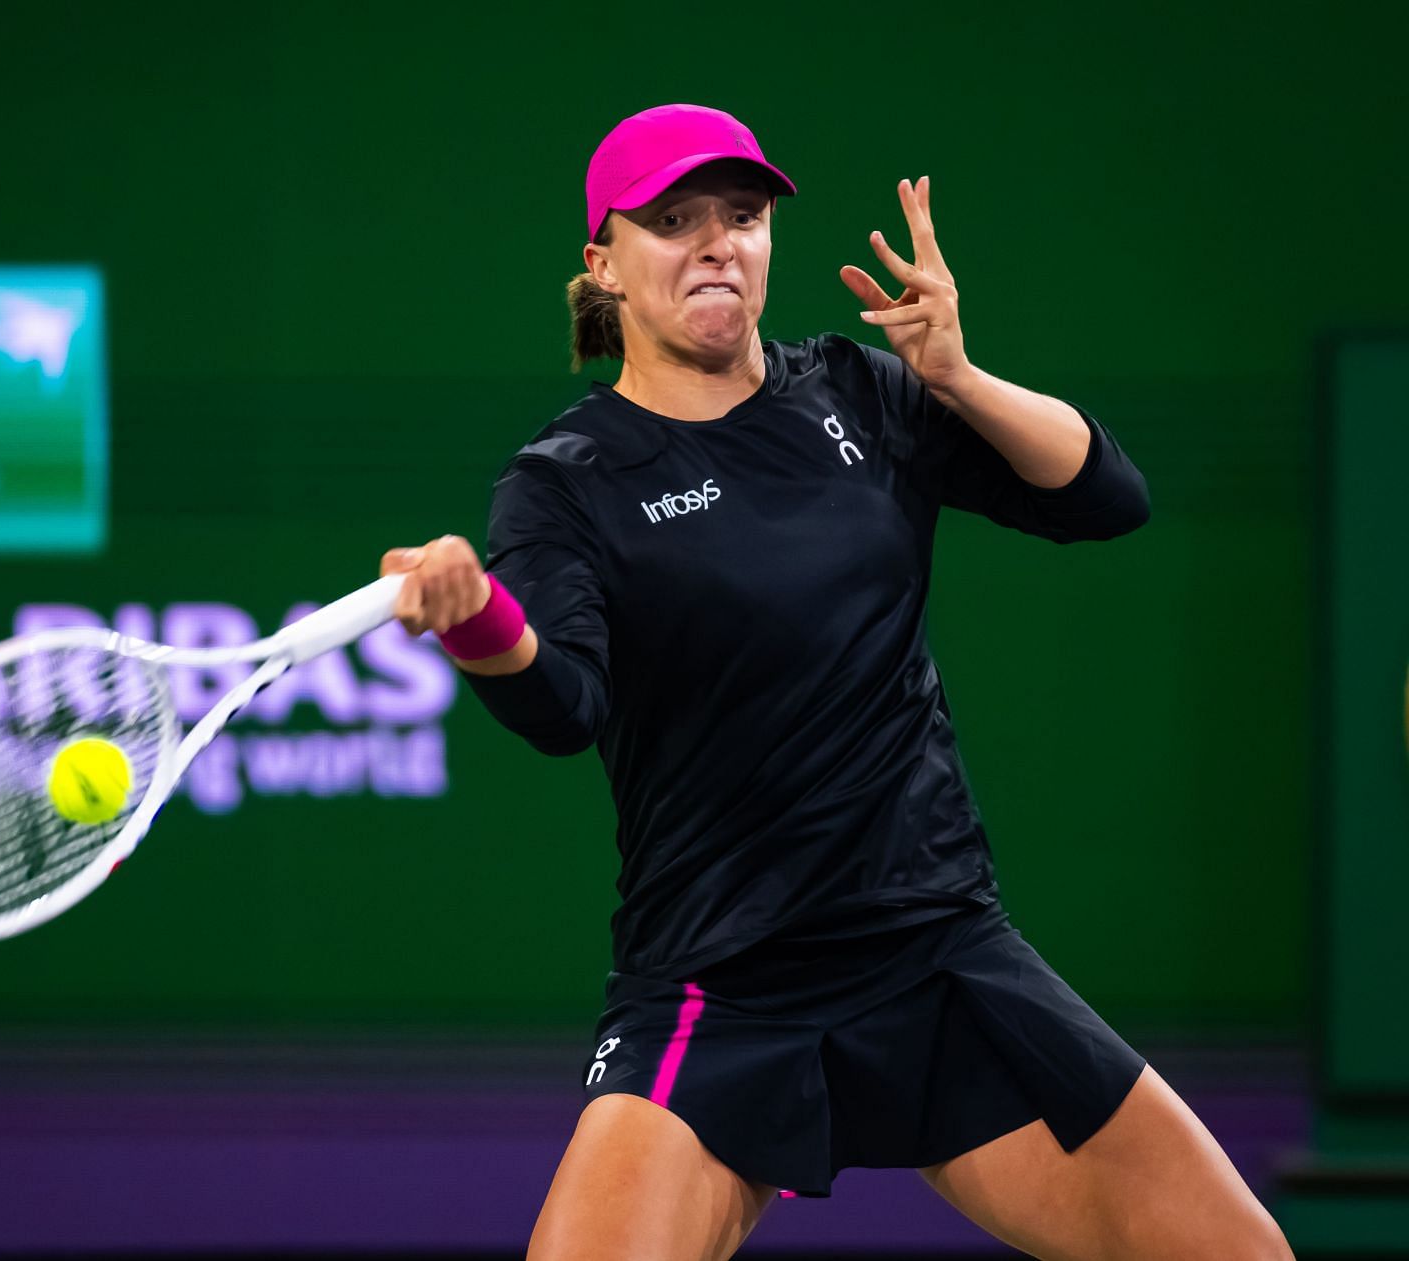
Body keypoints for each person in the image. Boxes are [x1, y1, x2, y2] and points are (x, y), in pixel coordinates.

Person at [380, 104, 1294, 1261]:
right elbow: (563, 706)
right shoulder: (567, 482)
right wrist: (479, 623)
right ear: (602, 264)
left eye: (743, 216)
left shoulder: (864, 393)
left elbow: (1105, 499)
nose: (718, 242)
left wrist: (957, 376)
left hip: (938, 949)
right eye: (674, 220)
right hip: (722, 980)